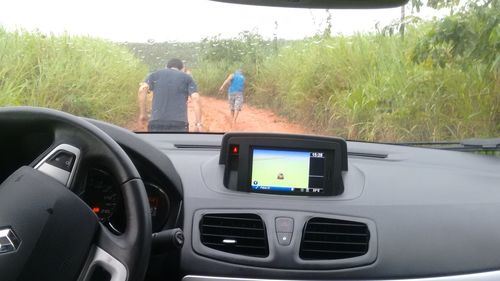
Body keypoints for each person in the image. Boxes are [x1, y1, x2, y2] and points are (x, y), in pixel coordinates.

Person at [138, 58, 202, 132]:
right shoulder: (187, 78)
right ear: (183, 68)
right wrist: (198, 123)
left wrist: (143, 114)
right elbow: (195, 98)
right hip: (179, 123)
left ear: (166, 67)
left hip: (156, 122)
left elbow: (142, 90)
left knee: (155, 143)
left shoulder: (154, 75)